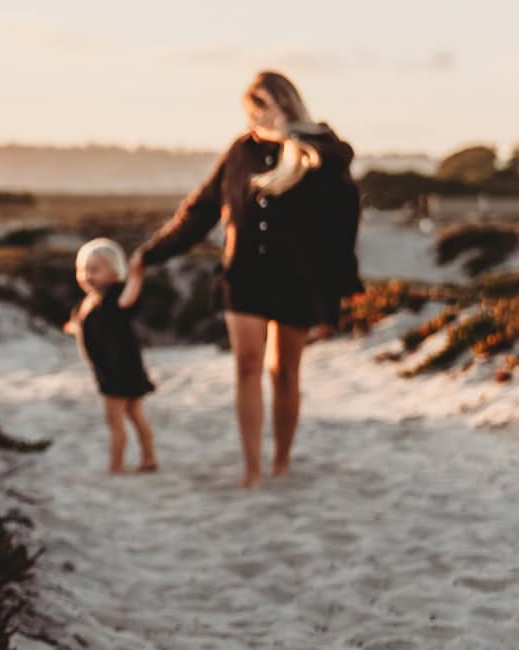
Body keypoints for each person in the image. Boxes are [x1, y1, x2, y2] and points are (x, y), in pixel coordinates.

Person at [132, 71, 362, 489]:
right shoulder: (240, 153)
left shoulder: (323, 154)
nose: (255, 119)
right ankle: (252, 468)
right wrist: (151, 253)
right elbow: (198, 212)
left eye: (264, 108)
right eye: (250, 111)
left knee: (285, 372)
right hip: (245, 275)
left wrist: (338, 289)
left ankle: (281, 460)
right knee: (247, 366)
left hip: (299, 278)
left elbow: (342, 225)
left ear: (287, 105)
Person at [63, 238, 157, 474]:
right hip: (115, 368)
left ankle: (117, 466)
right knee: (134, 413)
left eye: (95, 269)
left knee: (116, 421)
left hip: (118, 370)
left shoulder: (114, 296)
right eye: (82, 270)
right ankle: (149, 458)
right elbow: (88, 324)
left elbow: (129, 299)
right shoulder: (91, 300)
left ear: (115, 273)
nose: (87, 275)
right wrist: (74, 327)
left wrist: (136, 274)